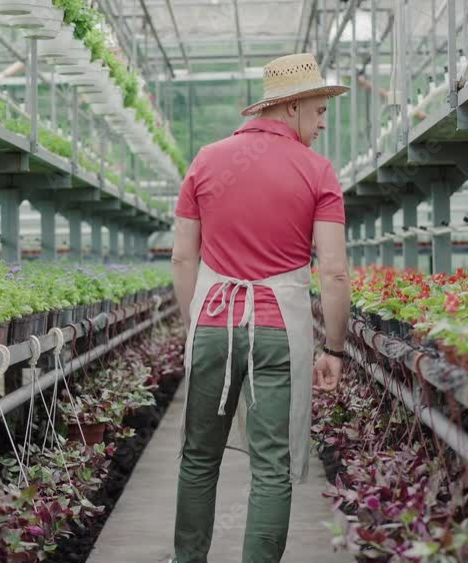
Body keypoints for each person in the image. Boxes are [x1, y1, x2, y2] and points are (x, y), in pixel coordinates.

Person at [169, 53, 352, 563]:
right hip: (280, 331)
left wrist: (195, 325)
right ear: (291, 107)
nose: (321, 124)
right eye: (317, 111)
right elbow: (334, 272)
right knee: (272, 465)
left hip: (212, 322)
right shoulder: (317, 172)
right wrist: (334, 348)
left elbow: (184, 257)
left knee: (198, 458)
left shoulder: (206, 159)